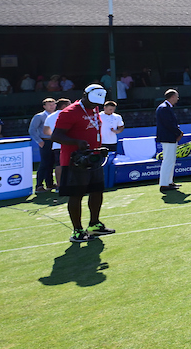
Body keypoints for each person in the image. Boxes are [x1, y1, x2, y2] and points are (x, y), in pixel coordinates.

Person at [51, 84, 116, 242]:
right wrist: (76, 142)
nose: (95, 105)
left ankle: (94, 224)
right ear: (84, 95)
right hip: (75, 160)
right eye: (92, 101)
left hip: (93, 157)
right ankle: (77, 231)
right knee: (76, 195)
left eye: (97, 103)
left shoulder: (94, 108)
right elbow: (56, 136)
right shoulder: (69, 112)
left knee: (97, 191)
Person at [156, 89, 184, 193]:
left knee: (171, 160)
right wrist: (178, 133)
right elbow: (169, 124)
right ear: (172, 97)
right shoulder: (164, 108)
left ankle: (169, 182)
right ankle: (164, 184)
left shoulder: (166, 108)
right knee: (168, 160)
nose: (177, 98)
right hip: (168, 138)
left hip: (169, 137)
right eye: (176, 96)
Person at [29, 97, 57, 193]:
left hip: (55, 141)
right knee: (44, 163)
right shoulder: (39, 116)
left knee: (51, 163)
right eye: (49, 105)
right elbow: (32, 130)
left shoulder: (57, 115)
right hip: (45, 141)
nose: (52, 106)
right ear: (44, 106)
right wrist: (39, 141)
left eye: (53, 104)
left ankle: (50, 183)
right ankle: (39, 185)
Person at [100, 100, 125, 190]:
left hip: (113, 142)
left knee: (112, 160)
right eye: (110, 109)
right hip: (102, 142)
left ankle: (111, 178)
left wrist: (117, 131)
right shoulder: (99, 116)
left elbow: (121, 126)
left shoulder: (117, 117)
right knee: (102, 161)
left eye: (113, 109)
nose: (111, 111)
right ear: (105, 108)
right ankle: (102, 179)